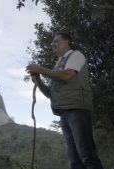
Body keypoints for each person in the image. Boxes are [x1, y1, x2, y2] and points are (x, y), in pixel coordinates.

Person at [26, 32, 104, 169]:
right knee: (74, 160)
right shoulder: (58, 65)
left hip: (77, 109)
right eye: (52, 42)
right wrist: (37, 79)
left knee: (87, 155)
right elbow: (50, 94)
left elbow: (68, 75)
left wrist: (41, 69)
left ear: (67, 41)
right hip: (64, 113)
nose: (52, 44)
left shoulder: (76, 56)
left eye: (56, 41)